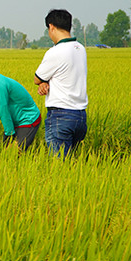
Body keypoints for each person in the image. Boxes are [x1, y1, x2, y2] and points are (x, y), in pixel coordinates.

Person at [34, 9, 88, 156]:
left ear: (51, 27)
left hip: (61, 115)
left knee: (59, 164)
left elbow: (37, 78)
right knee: (72, 161)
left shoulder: (56, 52)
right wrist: (46, 82)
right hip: (80, 116)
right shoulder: (80, 48)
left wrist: (43, 82)